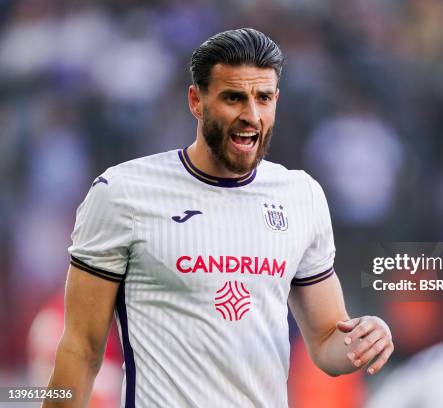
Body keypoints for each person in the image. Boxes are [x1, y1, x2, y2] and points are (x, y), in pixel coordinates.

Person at [44, 28, 393, 407]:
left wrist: (363, 339)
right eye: (233, 98)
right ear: (196, 100)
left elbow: (327, 342)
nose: (251, 115)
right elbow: (81, 349)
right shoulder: (123, 193)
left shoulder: (300, 195)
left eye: (263, 98)